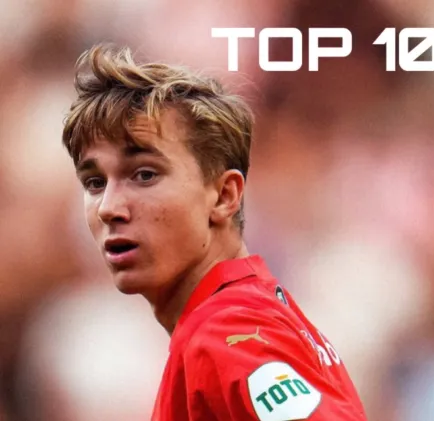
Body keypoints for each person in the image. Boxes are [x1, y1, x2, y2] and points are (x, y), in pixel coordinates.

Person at [62, 43, 368, 421]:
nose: (108, 207)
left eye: (144, 174)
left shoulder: (228, 331)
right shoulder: (247, 314)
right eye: (94, 182)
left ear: (224, 196)